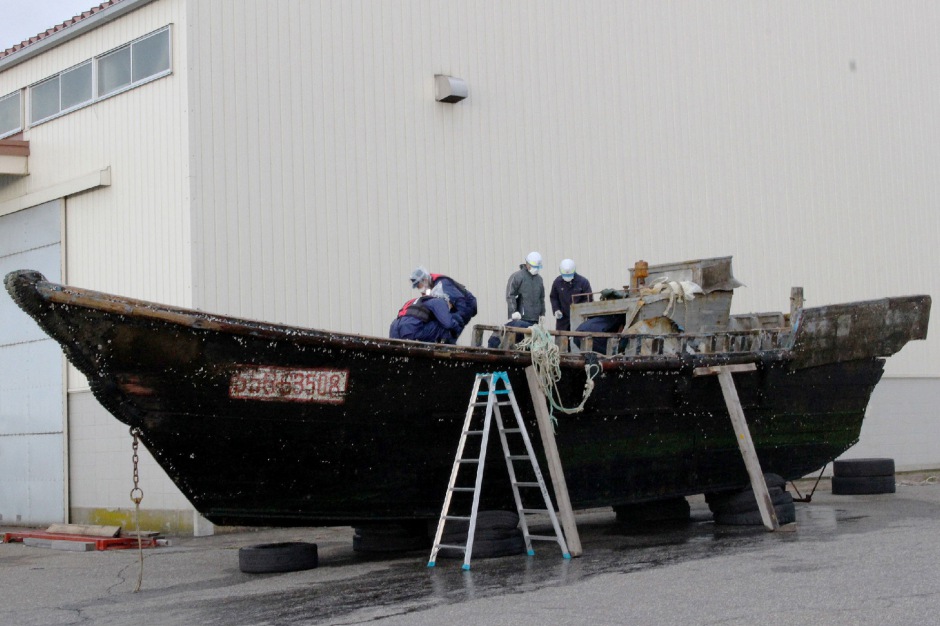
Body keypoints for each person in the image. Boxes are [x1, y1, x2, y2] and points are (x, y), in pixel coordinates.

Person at [488, 251, 546, 349]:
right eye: (534, 267)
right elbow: (510, 295)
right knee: (516, 342)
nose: (536, 270)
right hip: (521, 318)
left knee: (529, 345)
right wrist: (513, 312)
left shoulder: (539, 280)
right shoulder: (518, 276)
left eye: (538, 267)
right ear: (527, 264)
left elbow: (541, 298)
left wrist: (542, 313)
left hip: (534, 320)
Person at [409, 266, 478, 343]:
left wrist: (459, 320)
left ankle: (449, 348)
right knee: (445, 323)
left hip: (467, 305)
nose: (419, 288)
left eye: (419, 286)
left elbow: (460, 301)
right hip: (458, 305)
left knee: (451, 326)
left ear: (424, 280)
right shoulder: (430, 285)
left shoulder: (442, 284)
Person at [389, 284, 459, 343]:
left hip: (394, 330)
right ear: (448, 299)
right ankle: (444, 351)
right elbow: (448, 324)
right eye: (451, 306)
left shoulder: (420, 300)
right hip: (411, 330)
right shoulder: (439, 301)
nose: (449, 309)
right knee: (444, 327)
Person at [549, 258, 593, 332]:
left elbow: (589, 299)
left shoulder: (583, 282)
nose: (567, 276)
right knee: (561, 340)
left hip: (579, 318)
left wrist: (582, 310)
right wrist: (556, 310)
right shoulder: (557, 282)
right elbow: (554, 297)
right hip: (563, 319)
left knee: (578, 339)